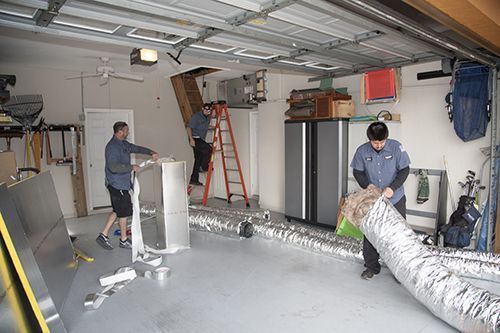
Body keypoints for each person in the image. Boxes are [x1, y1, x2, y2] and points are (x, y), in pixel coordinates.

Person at [350, 121, 410, 280]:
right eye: (375, 142)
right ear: (370, 140)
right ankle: (371, 267)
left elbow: (405, 170)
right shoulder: (362, 151)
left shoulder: (397, 148)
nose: (378, 145)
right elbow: (357, 172)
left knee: (397, 234)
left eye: (381, 142)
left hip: (395, 198)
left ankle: (400, 271)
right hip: (373, 200)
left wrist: (393, 187)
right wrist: (367, 185)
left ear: (386, 138)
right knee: (370, 233)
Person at [96, 121, 159, 250]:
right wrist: (131, 167)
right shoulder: (112, 147)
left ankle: (103, 235)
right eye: (126, 130)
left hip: (121, 183)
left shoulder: (123, 144)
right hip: (116, 184)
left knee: (117, 210)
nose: (127, 132)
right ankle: (123, 240)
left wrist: (151, 152)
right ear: (120, 132)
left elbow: (137, 148)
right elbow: (113, 167)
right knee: (123, 213)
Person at [187, 103, 212, 186]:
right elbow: (189, 127)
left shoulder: (208, 117)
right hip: (195, 138)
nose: (207, 112)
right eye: (205, 110)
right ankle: (204, 167)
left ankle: (194, 179)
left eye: (209, 110)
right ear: (202, 109)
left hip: (201, 139)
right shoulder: (196, 117)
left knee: (198, 158)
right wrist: (191, 139)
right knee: (208, 149)